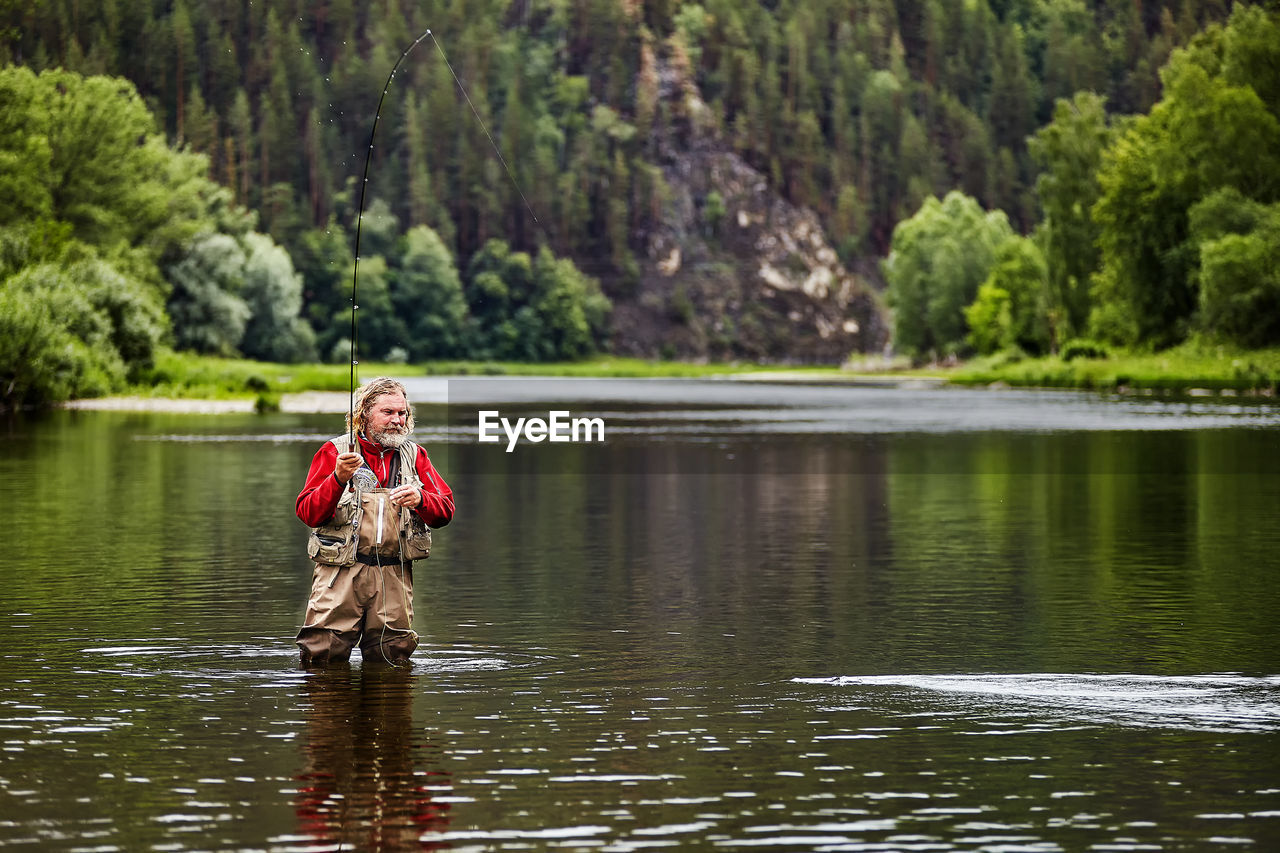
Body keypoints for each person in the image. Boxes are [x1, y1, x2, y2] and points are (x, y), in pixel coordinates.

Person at [295, 377, 454, 665]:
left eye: (402, 413)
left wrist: (421, 500)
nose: (398, 420)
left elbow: (445, 510)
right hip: (339, 574)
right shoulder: (335, 452)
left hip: (394, 575)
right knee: (322, 656)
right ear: (363, 414)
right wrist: (337, 479)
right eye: (388, 412)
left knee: (392, 658)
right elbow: (308, 512)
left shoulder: (416, 456)